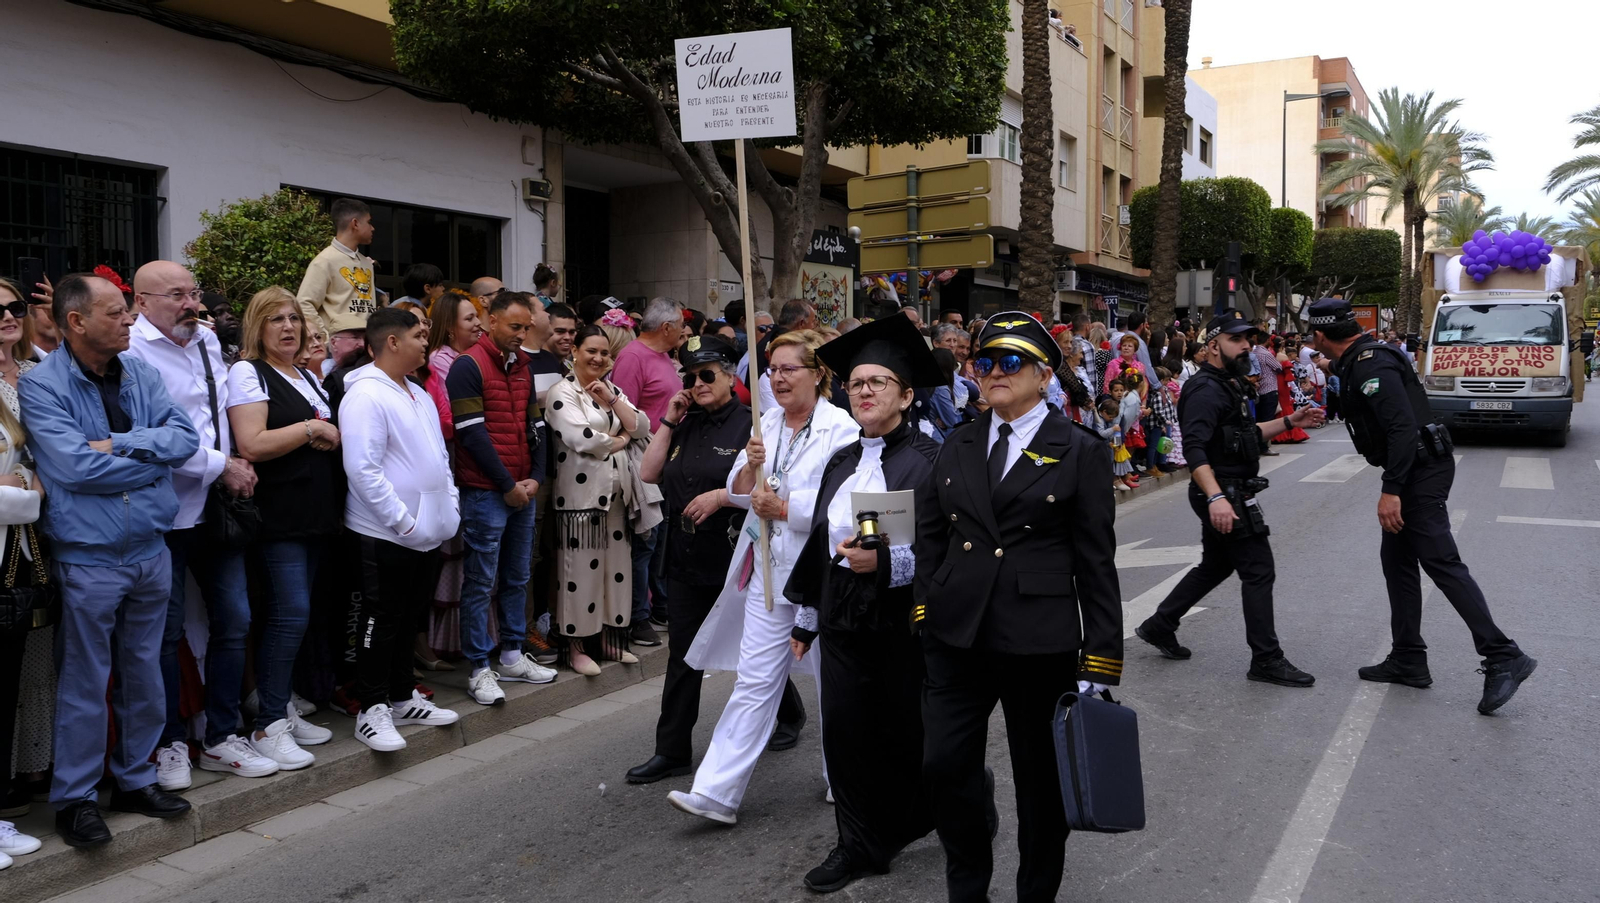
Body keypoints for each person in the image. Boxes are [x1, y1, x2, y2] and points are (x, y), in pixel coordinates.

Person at [914, 311, 1121, 903]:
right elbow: (931, 535)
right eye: (984, 363)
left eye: (1010, 362)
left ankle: (1035, 893)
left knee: (1040, 785)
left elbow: (1096, 561)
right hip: (957, 634)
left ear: (1043, 374)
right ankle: (967, 890)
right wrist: (926, 611)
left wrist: (1100, 659)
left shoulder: (1078, 450)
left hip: (1037, 638)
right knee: (943, 767)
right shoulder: (958, 442)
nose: (994, 373)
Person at [22, 273, 200, 847]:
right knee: (84, 681)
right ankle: (75, 799)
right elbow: (76, 468)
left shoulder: (141, 371)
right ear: (76, 321)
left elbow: (185, 439)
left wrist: (122, 444)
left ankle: (134, 779)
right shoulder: (41, 385)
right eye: (117, 312)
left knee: (145, 674)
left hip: (150, 548)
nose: (129, 320)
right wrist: (151, 460)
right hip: (88, 557)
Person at [1309, 298, 1536, 714]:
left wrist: (1392, 489)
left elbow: (1401, 428)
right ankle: (1408, 657)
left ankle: (1503, 654)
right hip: (1418, 466)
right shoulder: (1364, 358)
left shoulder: (1371, 365)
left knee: (1441, 562)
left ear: (1320, 336)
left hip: (1419, 471)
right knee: (1397, 562)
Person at [668, 329, 857, 825]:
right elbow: (737, 490)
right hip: (768, 575)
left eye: (789, 369)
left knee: (834, 682)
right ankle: (716, 793)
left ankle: (844, 777)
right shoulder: (765, 422)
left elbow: (843, 507)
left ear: (818, 374)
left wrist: (785, 508)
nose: (777, 378)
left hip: (821, 577)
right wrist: (750, 469)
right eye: (772, 370)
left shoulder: (842, 429)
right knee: (754, 680)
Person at [784, 315, 944, 893]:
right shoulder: (841, 461)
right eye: (856, 383)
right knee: (846, 736)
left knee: (912, 736)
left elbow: (950, 552)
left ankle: (961, 800)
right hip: (843, 619)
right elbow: (819, 544)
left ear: (906, 394)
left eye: (879, 382)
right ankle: (858, 845)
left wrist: (889, 565)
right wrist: (807, 617)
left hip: (906, 624)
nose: (865, 391)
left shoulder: (931, 462)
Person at [124, 261, 271, 786]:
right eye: (176, 295)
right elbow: (146, 436)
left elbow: (217, 417)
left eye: (194, 293)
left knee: (235, 620)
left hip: (218, 509)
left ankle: (221, 736)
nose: (191, 304)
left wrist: (239, 458)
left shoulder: (207, 341)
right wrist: (220, 465)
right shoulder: (130, 352)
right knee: (162, 634)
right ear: (142, 302)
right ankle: (169, 743)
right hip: (163, 514)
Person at [1134, 310, 1321, 687]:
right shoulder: (1205, 389)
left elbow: (1245, 433)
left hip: (1230, 489)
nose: (1246, 346)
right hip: (1223, 491)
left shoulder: (1228, 383)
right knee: (1258, 569)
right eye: (1236, 339)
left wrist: (1290, 421)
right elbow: (1196, 450)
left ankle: (1159, 624)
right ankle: (1266, 659)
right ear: (1214, 345)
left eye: (1248, 340)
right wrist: (1216, 496)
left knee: (1216, 565)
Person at [226, 286, 343, 768]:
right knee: (287, 615)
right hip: (279, 517)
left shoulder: (304, 375)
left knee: (297, 616)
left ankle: (283, 711)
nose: (289, 327)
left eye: (293, 318)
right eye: (276, 319)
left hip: (314, 515)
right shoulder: (248, 372)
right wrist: (312, 429)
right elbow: (251, 443)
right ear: (258, 327)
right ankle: (268, 724)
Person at [626, 336, 750, 784]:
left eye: (707, 374)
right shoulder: (685, 422)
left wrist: (722, 497)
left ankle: (787, 713)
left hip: (733, 554)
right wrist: (668, 419)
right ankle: (672, 751)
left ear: (730, 376)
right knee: (683, 655)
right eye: (690, 376)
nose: (698, 383)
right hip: (684, 554)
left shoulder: (752, 425)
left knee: (751, 649)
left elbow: (764, 487)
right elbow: (649, 472)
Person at [340, 307, 464, 751]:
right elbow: (362, 469)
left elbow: (440, 459)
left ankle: (400, 696)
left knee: (410, 617)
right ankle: (371, 709)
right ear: (392, 342)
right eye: (418, 335)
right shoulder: (365, 395)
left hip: (425, 532)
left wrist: (449, 505)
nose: (426, 341)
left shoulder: (419, 392)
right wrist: (403, 521)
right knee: (381, 619)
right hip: (385, 533)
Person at [446, 292, 557, 704]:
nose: (522, 334)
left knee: (516, 576)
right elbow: (471, 434)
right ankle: (479, 667)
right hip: (485, 491)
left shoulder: (522, 365)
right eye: (515, 326)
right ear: (491, 321)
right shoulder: (468, 365)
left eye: (526, 327)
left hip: (521, 487)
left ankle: (511, 654)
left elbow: (536, 426)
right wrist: (508, 485)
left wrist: (535, 478)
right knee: (480, 582)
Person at [546, 326, 653, 674]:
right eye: (591, 351)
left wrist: (612, 400)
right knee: (579, 574)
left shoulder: (611, 389)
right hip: (580, 500)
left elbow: (642, 426)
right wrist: (620, 439)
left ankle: (608, 639)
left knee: (615, 573)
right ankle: (575, 647)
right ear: (575, 351)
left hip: (618, 498)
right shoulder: (562, 392)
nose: (598, 358)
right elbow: (586, 439)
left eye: (605, 353)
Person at [0, 277, 46, 864]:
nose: (9, 316)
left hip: (28, 554)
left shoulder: (39, 375)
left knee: (14, 681)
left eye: (15, 307)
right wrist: (27, 489)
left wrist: (25, 483)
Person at [611, 297, 685, 647]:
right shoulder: (633, 357)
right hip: (642, 459)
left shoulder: (665, 356)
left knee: (660, 539)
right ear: (666, 327)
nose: (684, 331)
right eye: (680, 325)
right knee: (645, 540)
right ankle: (638, 615)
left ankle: (659, 605)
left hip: (667, 458)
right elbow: (622, 411)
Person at [296, 197, 377, 355]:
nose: (372, 228)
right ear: (355, 223)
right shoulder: (324, 261)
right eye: (369, 222)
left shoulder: (367, 264)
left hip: (366, 349)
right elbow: (304, 304)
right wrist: (326, 339)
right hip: (338, 353)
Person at [202, 292, 241, 364]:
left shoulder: (241, 353)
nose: (230, 316)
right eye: (219, 312)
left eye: (230, 311)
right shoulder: (202, 358)